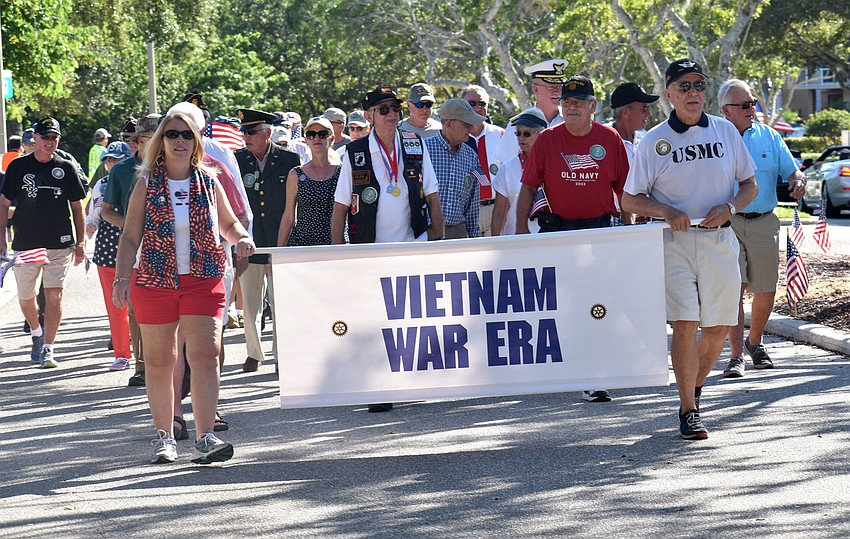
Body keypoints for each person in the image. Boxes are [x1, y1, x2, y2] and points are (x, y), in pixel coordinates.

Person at [621, 59, 758, 440]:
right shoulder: (653, 142)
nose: (693, 92)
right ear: (669, 94)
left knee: (717, 328)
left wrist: (729, 207)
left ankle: (693, 390)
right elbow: (630, 199)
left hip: (719, 239)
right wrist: (664, 210)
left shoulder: (725, 131)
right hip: (674, 243)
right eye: (684, 86)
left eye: (699, 85)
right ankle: (688, 410)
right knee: (685, 323)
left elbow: (749, 185)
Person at [112, 109, 256, 464]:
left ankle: (206, 437)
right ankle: (165, 436)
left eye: (187, 135)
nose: (180, 141)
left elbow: (230, 224)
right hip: (155, 281)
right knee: (161, 361)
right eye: (173, 134)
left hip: (203, 279)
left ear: (196, 142)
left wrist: (242, 238)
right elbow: (130, 237)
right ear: (161, 141)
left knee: (206, 355)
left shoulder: (210, 180)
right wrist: (121, 278)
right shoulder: (146, 182)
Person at [515, 75, 631, 403]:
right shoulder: (547, 140)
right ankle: (569, 366)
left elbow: (625, 191)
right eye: (567, 102)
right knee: (564, 303)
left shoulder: (609, 139)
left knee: (599, 301)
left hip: (599, 229)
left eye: (579, 102)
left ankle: (595, 373)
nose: (572, 107)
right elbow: (528, 187)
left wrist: (630, 231)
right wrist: (521, 227)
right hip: (560, 231)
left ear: (593, 105)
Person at [332, 85, 445, 412]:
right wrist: (337, 253)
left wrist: (437, 241)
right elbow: (340, 206)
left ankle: (410, 378)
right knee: (374, 319)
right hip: (370, 248)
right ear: (369, 116)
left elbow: (432, 193)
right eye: (384, 110)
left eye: (395, 108)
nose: (392, 114)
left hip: (413, 243)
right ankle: (378, 386)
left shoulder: (414, 143)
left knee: (411, 317)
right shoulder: (354, 153)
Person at [717, 79, 807, 378]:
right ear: (726, 110)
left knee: (766, 289)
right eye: (744, 105)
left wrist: (797, 181)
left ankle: (755, 342)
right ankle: (735, 356)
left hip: (765, 221)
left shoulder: (769, 135)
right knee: (734, 289)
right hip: (728, 223)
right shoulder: (715, 138)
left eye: (752, 102)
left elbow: (791, 169)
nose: (751, 109)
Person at [0, 117, 87, 368]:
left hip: (58, 243)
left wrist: (79, 243)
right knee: (26, 297)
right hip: (26, 242)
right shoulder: (18, 167)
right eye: (45, 137)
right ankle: (37, 334)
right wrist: (2, 240)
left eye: (54, 138)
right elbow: (4, 203)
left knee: (54, 296)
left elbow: (77, 207)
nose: (50, 142)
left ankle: (48, 347)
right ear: (34, 139)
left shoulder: (66, 167)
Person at [234, 108, 301, 373]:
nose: (246, 137)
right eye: (244, 132)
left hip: (279, 240)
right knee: (249, 304)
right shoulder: (238, 160)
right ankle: (254, 352)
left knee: (281, 302)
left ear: (267, 133)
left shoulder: (288, 159)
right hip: (249, 242)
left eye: (252, 132)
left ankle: (281, 355)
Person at [102, 113, 161, 387]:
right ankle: (142, 366)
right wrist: (132, 224)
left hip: (170, 248)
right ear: (138, 141)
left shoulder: (176, 167)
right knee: (137, 307)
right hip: (136, 247)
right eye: (152, 138)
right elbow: (106, 211)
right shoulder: (122, 170)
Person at [86, 141, 134, 370]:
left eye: (118, 159)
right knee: (115, 305)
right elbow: (94, 212)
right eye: (110, 160)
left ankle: (145, 352)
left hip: (136, 248)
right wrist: (89, 226)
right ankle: (122, 353)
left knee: (139, 304)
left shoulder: (139, 179)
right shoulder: (101, 185)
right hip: (107, 248)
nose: (113, 164)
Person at [424, 98, 484, 239]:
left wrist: (473, 237)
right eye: (467, 124)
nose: (471, 129)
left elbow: (473, 202)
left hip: (458, 232)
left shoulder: (471, 156)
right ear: (449, 124)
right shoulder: (424, 150)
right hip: (427, 231)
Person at [492, 59, 569, 169]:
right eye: (551, 87)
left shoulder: (570, 122)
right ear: (535, 89)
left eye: (560, 87)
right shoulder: (517, 124)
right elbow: (505, 166)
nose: (557, 92)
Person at [278, 116, 341, 247]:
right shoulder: (296, 174)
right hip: (303, 245)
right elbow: (289, 217)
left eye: (323, 134)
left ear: (332, 138)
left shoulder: (342, 172)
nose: (317, 138)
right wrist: (278, 254)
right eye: (311, 134)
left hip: (336, 244)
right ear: (306, 139)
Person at [491, 109, 547, 235]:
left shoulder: (554, 163)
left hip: (548, 235)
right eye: (518, 133)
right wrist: (494, 242)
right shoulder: (508, 167)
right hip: (515, 236)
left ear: (541, 133)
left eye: (526, 134)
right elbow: (499, 212)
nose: (521, 138)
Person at [460, 85, 504, 236]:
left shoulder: (501, 135)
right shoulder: (455, 137)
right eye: (472, 103)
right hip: (466, 211)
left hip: (497, 209)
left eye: (482, 104)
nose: (478, 107)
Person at [611, 82, 659, 164]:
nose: (649, 113)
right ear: (625, 112)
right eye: (644, 108)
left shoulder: (646, 139)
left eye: (648, 108)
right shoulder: (602, 141)